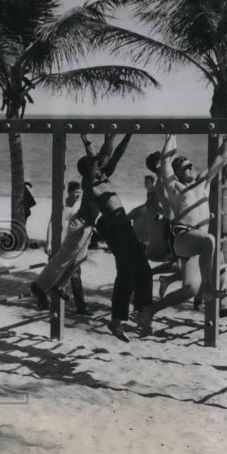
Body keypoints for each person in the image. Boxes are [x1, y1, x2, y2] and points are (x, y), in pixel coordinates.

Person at [135, 134, 227, 336]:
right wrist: (172, 135)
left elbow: (223, 156)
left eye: (191, 165)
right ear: (177, 174)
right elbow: (165, 162)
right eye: (186, 167)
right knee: (209, 239)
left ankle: (148, 312)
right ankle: (208, 288)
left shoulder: (203, 183)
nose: (191, 168)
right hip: (183, 238)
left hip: (199, 242)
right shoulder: (175, 188)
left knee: (189, 289)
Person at [78, 133, 152, 342]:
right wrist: (87, 141)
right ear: (89, 170)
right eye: (96, 166)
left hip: (121, 226)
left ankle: (117, 320)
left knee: (125, 274)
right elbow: (95, 158)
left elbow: (116, 154)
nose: (101, 166)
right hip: (116, 228)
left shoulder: (103, 177)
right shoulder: (89, 183)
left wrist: (128, 135)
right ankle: (143, 313)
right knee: (143, 270)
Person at [31, 180, 92, 315]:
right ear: (69, 192)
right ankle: (45, 301)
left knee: (75, 275)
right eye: (76, 192)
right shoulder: (63, 206)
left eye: (80, 192)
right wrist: (48, 243)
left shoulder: (76, 207)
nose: (78, 195)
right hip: (58, 245)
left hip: (70, 246)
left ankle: (80, 307)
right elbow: (51, 224)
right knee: (53, 274)